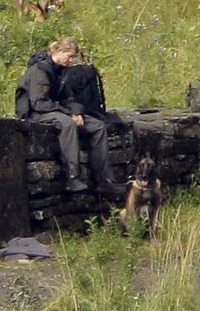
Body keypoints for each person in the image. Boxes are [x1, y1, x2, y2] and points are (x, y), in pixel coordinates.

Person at [15, 36, 121, 200]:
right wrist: (68, 113)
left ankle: (104, 179)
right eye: (69, 56)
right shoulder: (39, 71)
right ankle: (73, 176)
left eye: (73, 57)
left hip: (54, 108)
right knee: (67, 124)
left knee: (98, 126)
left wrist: (77, 111)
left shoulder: (62, 71)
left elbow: (69, 97)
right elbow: (39, 103)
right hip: (35, 112)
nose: (71, 61)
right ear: (59, 51)